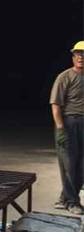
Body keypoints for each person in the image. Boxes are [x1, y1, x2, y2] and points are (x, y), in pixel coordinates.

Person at [50, 41, 84, 216]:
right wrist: (61, 129)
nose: (81, 57)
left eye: (83, 54)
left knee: (81, 166)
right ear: (73, 57)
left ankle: (64, 198)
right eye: (78, 54)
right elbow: (56, 104)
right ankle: (72, 202)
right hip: (69, 123)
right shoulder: (64, 77)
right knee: (69, 166)